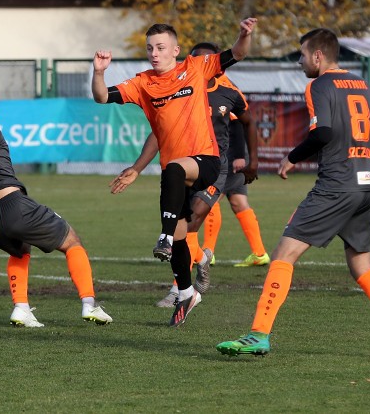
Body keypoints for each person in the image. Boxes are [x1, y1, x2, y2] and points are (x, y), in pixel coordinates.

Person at [216, 28, 370, 359]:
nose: (299, 62)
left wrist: (292, 157)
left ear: (317, 56)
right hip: (368, 184)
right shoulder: (362, 83)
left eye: (301, 55)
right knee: (361, 265)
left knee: (283, 253)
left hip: (337, 185)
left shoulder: (319, 85)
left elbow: (322, 132)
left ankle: (258, 334)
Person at [93, 18, 258, 326]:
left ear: (175, 50)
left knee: (172, 182)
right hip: (175, 173)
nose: (154, 53)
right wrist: (99, 72)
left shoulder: (196, 67)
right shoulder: (142, 83)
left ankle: (164, 237)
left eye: (161, 47)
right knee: (182, 231)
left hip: (207, 162)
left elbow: (237, 52)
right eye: (150, 48)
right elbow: (102, 97)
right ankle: (185, 292)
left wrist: (243, 35)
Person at [0, 75, 112, 328]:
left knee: (20, 249)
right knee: (72, 241)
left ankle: (21, 308)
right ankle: (89, 305)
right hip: (7, 205)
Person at [200, 116, 270, 268]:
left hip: (232, 154)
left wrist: (238, 156)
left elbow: (238, 123)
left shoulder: (227, 92)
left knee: (210, 198)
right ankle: (259, 253)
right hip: (230, 152)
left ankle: (207, 252)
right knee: (239, 202)